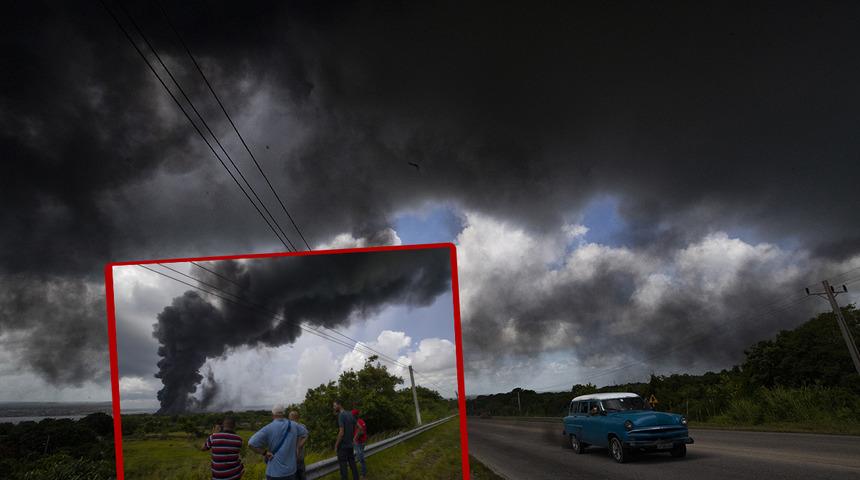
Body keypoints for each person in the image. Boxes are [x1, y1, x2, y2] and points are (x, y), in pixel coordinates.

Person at [249, 404, 308, 480]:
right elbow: (305, 433)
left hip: (274, 473)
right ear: (283, 413)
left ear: (272, 414)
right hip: (291, 472)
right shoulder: (294, 425)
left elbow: (251, 443)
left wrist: (265, 453)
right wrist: (298, 447)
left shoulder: (268, 428)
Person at [333, 400, 359, 480]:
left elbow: (341, 432)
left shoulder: (341, 415)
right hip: (350, 445)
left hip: (343, 446)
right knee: (353, 464)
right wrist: (354, 439)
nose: (333, 407)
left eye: (334, 405)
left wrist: (336, 445)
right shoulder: (350, 414)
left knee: (343, 468)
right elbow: (360, 428)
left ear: (339, 405)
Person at [288, 411, 307, 480]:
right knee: (302, 476)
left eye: (290, 417)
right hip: (300, 457)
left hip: (292, 458)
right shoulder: (303, 426)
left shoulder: (289, 428)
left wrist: (298, 447)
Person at [352, 409, 367, 480]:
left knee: (361, 459)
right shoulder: (358, 421)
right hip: (360, 442)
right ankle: (362, 473)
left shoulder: (359, 422)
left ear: (355, 415)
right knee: (360, 457)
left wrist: (354, 439)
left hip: (359, 442)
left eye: (352, 415)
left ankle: (363, 475)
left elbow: (361, 432)